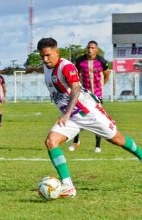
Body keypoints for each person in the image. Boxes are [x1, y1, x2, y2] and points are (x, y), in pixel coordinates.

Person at [36, 37, 142, 198]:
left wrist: (66, 113)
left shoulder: (66, 67)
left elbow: (76, 89)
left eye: (48, 55)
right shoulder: (46, 67)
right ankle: (68, 186)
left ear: (57, 52)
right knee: (51, 142)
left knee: (117, 139)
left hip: (88, 113)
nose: (45, 59)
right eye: (42, 56)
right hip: (71, 117)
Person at [68, 40, 110, 153]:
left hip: (97, 96)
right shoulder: (80, 61)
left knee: (98, 118)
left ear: (96, 49)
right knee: (78, 117)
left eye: (92, 48)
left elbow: (107, 75)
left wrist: (100, 87)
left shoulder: (102, 61)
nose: (90, 50)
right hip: (83, 95)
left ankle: (97, 145)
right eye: (88, 48)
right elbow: (75, 75)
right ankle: (76, 142)